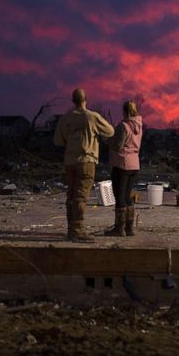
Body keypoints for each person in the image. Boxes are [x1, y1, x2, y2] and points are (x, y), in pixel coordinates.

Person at [53, 88, 114, 242]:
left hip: (70, 161)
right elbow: (110, 131)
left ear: (73, 101)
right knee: (81, 196)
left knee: (71, 195)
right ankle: (78, 230)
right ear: (86, 99)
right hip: (86, 160)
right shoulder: (92, 117)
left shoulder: (65, 119)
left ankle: (71, 228)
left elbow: (58, 141)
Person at [106, 100, 143, 237]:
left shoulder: (123, 126)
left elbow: (118, 145)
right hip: (135, 164)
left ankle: (119, 228)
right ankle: (129, 228)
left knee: (119, 196)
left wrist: (107, 139)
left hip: (122, 164)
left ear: (125, 111)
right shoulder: (139, 126)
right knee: (128, 196)